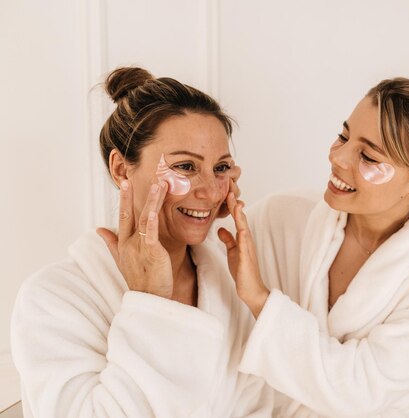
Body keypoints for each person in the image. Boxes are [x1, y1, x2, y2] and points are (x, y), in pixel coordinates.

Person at [11, 67, 272, 417]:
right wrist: (151, 305)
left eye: (221, 168)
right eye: (185, 167)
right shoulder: (54, 299)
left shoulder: (230, 288)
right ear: (121, 169)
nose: (210, 192)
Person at [218, 77, 409, 417]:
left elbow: (360, 391)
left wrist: (259, 299)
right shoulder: (283, 215)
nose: (339, 158)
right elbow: (203, 268)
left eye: (369, 157)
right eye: (344, 136)